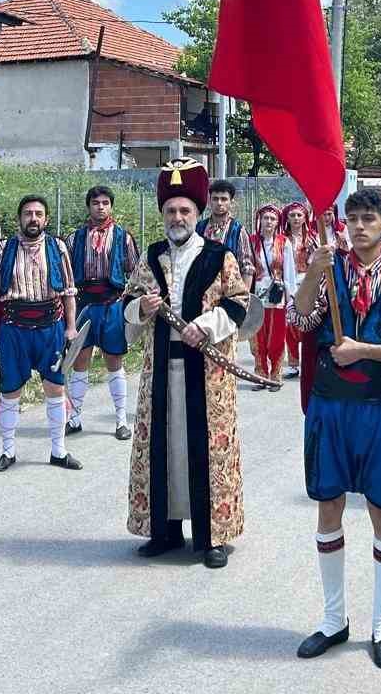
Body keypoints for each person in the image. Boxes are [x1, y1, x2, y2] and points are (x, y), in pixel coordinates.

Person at [289, 188, 381, 670]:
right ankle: (334, 620)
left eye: (369, 219)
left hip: (376, 405)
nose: (359, 227)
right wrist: (311, 272)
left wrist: (364, 350)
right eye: (353, 219)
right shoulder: (329, 272)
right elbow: (299, 321)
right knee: (328, 504)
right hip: (329, 405)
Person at [123, 159, 250, 569]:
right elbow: (128, 302)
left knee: (204, 450)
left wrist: (206, 326)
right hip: (161, 369)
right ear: (162, 215)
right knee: (165, 447)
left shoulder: (219, 255)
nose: (177, 218)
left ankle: (211, 537)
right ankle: (163, 531)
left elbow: (240, 302)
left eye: (185, 211)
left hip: (207, 375)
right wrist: (141, 307)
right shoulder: (153, 255)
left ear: (198, 214)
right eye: (170, 211)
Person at [0, 195, 82, 472]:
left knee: (55, 387)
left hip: (51, 327)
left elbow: (69, 291)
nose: (33, 218)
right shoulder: (3, 250)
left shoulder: (58, 247)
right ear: (19, 219)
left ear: (46, 219)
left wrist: (71, 328)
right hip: (14, 329)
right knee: (10, 390)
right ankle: (8, 451)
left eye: (38, 214)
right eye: (27, 214)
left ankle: (59, 451)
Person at [66, 186, 140, 440]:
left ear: (111, 206)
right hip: (84, 304)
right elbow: (65, 275)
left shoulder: (123, 237)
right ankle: (74, 418)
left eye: (105, 202)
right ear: (89, 206)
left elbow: (136, 273)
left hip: (112, 304)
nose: (101, 207)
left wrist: (130, 307)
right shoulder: (74, 238)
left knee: (114, 362)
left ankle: (121, 421)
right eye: (96, 202)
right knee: (79, 361)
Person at [250, 203, 293, 388]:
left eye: (272, 218)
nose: (269, 222)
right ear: (260, 220)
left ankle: (275, 375)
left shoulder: (284, 242)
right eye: (266, 218)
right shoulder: (252, 241)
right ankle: (261, 374)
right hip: (257, 293)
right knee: (258, 336)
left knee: (276, 336)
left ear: (277, 222)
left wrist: (291, 299)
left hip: (277, 295)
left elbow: (289, 271)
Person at [197, 179, 254, 286]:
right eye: (215, 199)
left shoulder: (238, 230)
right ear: (209, 202)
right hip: (200, 292)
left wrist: (243, 299)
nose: (219, 203)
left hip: (229, 293)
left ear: (231, 203)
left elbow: (247, 268)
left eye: (224, 199)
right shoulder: (199, 228)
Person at [282, 201, 314, 379]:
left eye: (299, 215)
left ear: (305, 218)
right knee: (290, 325)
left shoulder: (312, 238)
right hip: (288, 284)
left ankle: (309, 362)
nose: (295, 218)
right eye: (292, 215)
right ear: (287, 217)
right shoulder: (282, 238)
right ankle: (293, 364)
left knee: (308, 324)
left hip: (307, 283)